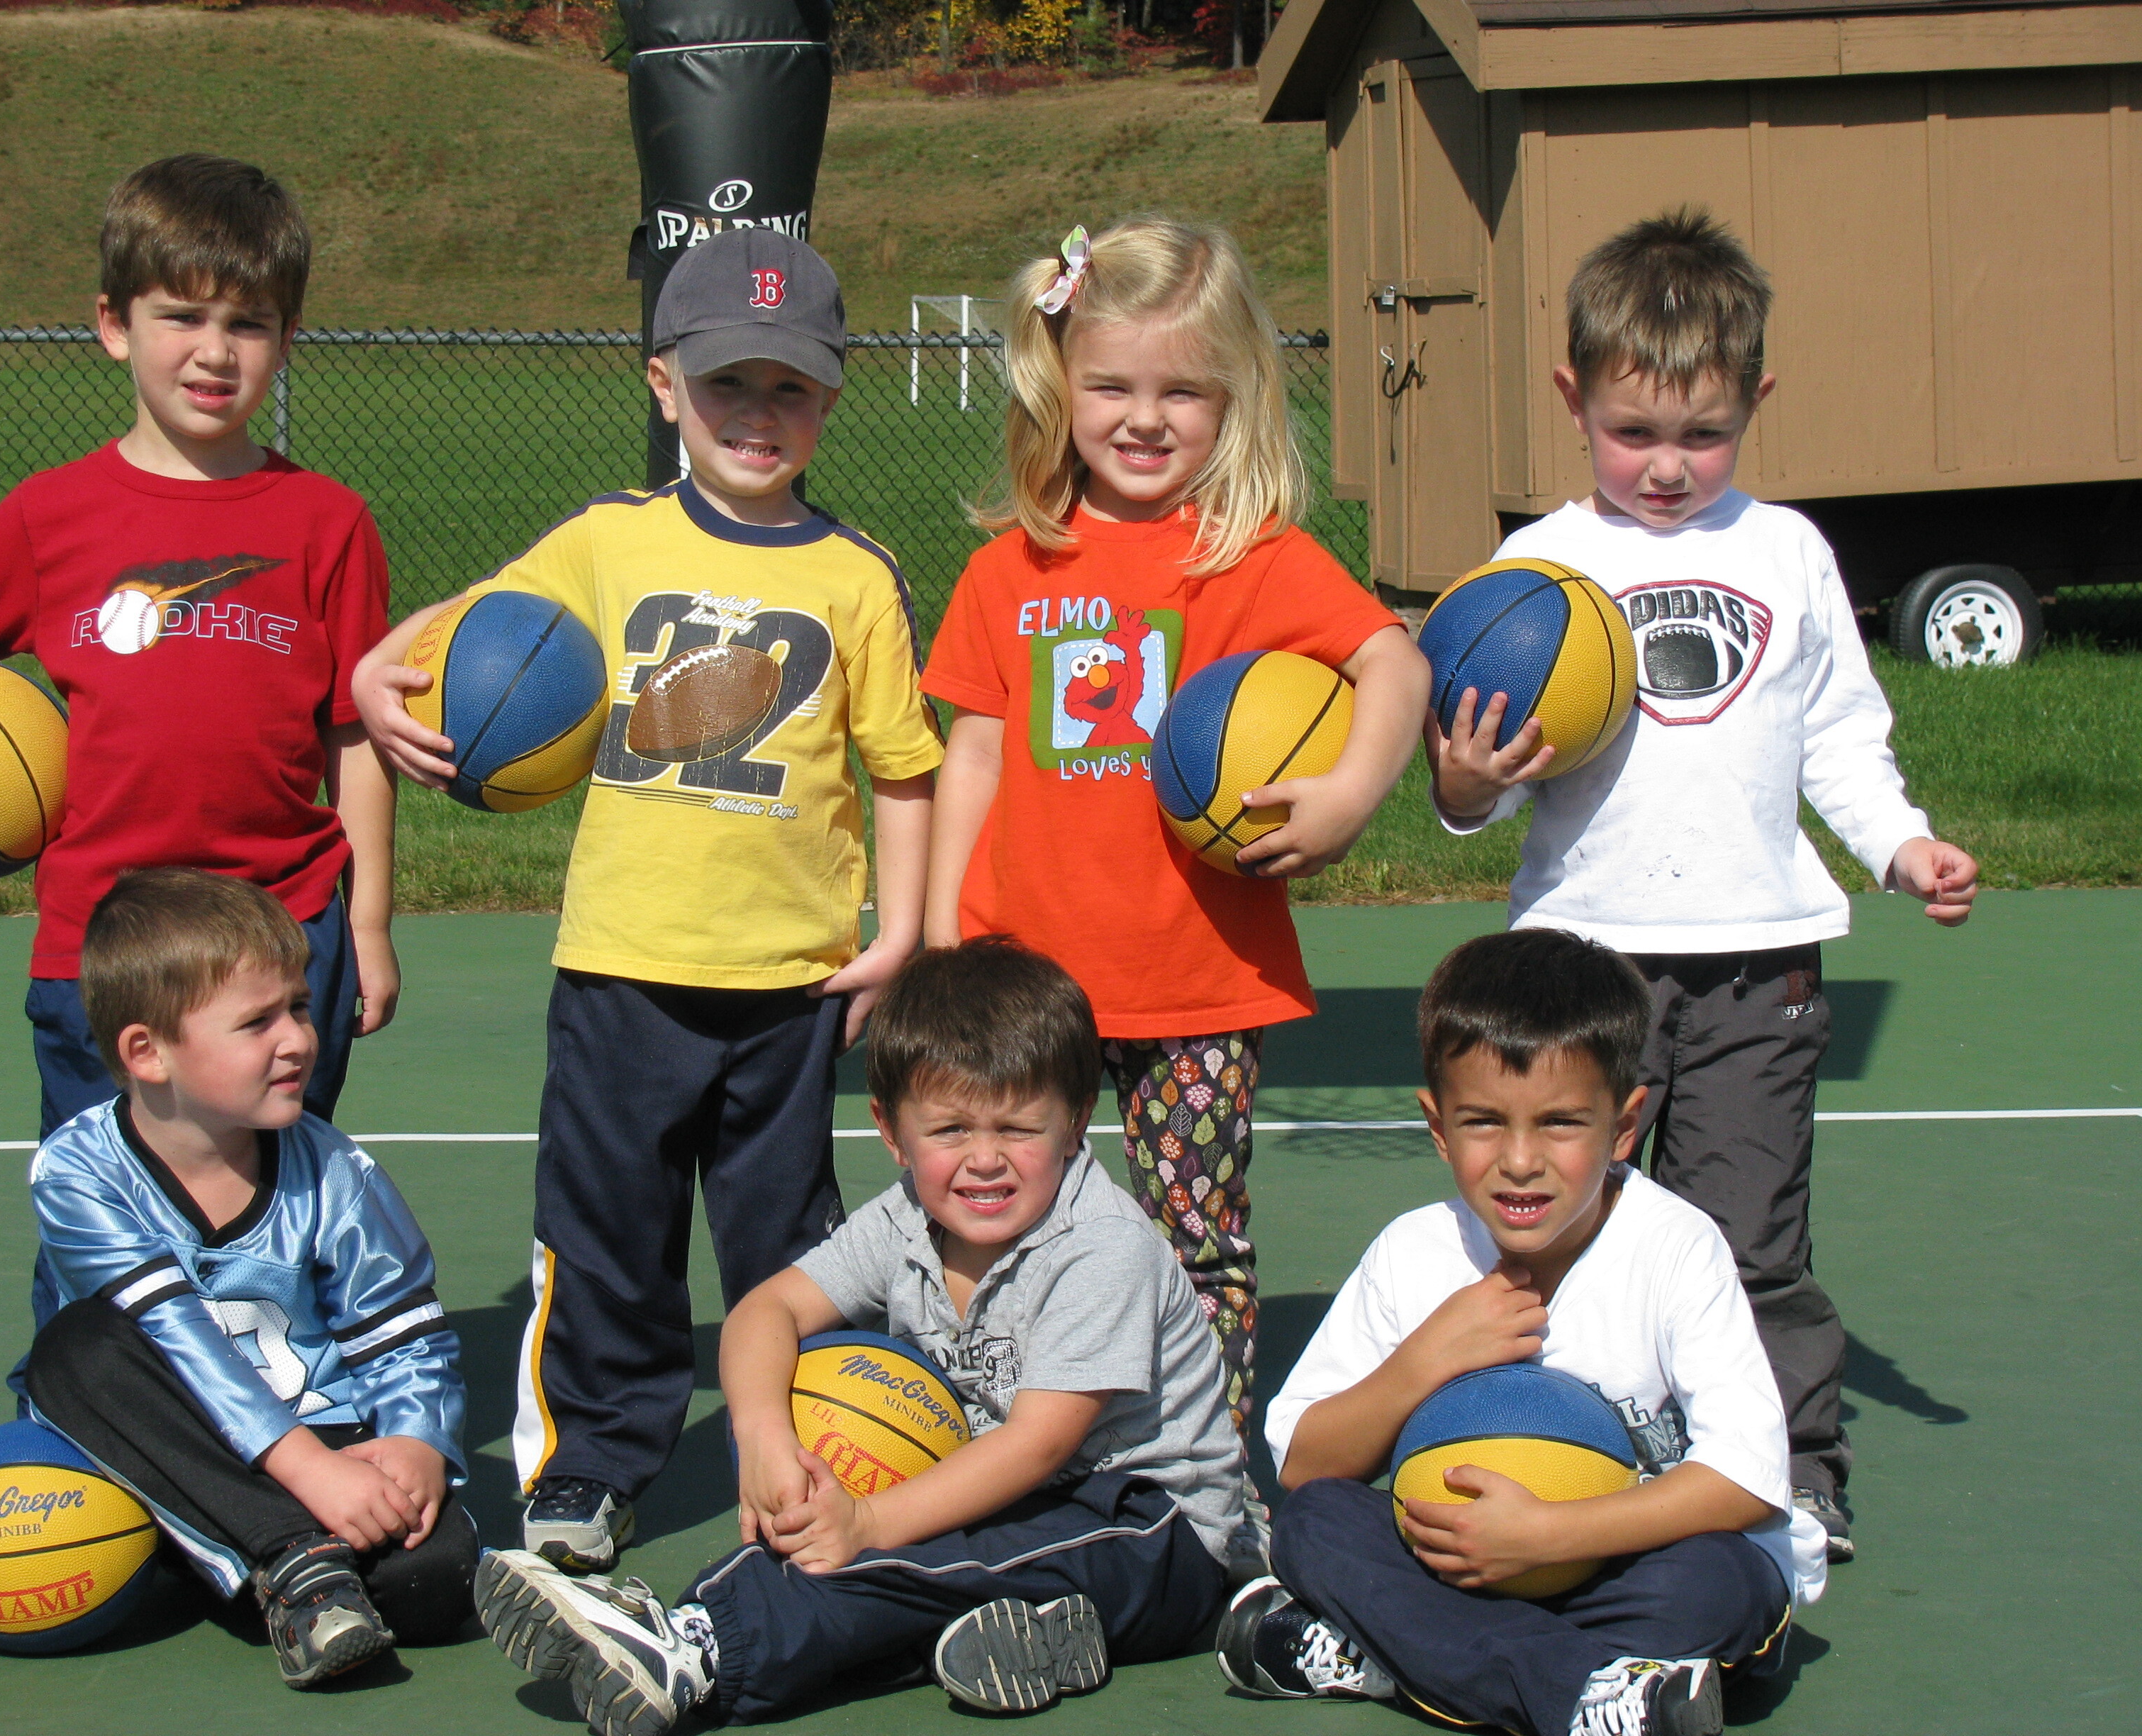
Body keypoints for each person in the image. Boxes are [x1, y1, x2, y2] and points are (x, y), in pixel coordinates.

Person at [351, 228, 942, 1574]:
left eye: (788, 387)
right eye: (727, 380)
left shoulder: (856, 574)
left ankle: (809, 1456)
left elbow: (902, 768)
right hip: (623, 967)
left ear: (830, 400)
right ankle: (593, 1467)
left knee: (788, 1240)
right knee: (606, 1235)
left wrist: (898, 936)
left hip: (790, 979)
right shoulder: (606, 542)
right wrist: (384, 662)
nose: (756, 412)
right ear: (663, 383)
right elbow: (486, 621)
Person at [1425, 208, 1978, 1561]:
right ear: (1571, 397)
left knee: (1746, 1245)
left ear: (1753, 403)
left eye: (1700, 434)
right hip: (1578, 966)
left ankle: (1782, 1467)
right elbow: (1473, 789)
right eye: (1631, 432)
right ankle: (1545, 1442)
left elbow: (1837, 730)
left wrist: (1897, 842)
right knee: (1550, 1232)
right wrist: (1459, 777)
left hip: (1754, 958)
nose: (1665, 467)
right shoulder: (1532, 574)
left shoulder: (1785, 552)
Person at [922, 217, 1429, 1439]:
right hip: (1022, 975)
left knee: (1194, 1235)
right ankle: (991, 1436)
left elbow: (1391, 663)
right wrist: (941, 937)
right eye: (1111, 385)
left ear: (1231, 398)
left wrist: (1349, 793)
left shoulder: (1251, 556)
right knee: (992, 1223)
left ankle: (1194, 1462)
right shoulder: (1009, 569)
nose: (1143, 418)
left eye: (1180, 392)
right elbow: (974, 753)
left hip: (1199, 979)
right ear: (1060, 385)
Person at [472, 937, 1250, 1732]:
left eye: (1019, 1127)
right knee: (869, 1549)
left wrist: (869, 1524)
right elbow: (764, 1314)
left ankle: (694, 1650)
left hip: (1156, 1531)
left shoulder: (1099, 1246)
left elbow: (1038, 1447)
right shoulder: (907, 1219)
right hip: (1024, 1507)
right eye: (949, 1130)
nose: (984, 1160)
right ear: (890, 1131)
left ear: (1076, 1122)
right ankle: (1026, 1637)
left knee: (901, 1554)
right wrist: (768, 1444)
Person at [0, 155, 398, 1139]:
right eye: (181, 316)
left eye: (247, 323)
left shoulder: (328, 522)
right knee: (110, 1234)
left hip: (282, 932)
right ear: (113, 326)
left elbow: (358, 738)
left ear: (287, 339)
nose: (214, 351)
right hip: (102, 940)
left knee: (268, 1219)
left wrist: (372, 921)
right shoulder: (49, 518)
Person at [1221, 928, 1825, 1736]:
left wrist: (1549, 1535)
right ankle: (1588, 1691)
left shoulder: (1673, 1245)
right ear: (1437, 1127)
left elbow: (1747, 1479)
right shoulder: (1415, 1254)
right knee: (1316, 1528)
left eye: (1561, 1123)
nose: (1519, 1160)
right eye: (1483, 1123)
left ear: (1624, 1126)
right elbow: (1307, 1464)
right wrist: (1420, 1364)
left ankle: (1399, 1654)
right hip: (1460, 1565)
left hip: (1618, 1563)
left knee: (1722, 1584)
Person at [20, 867, 474, 1688]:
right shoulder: (78, 1171)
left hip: (312, 1441)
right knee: (74, 1351)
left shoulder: (335, 1172)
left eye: (299, 1007)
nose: (298, 1039)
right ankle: (296, 1559)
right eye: (257, 1022)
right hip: (161, 1447)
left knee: (437, 1570)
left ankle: (265, 1569)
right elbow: (169, 1332)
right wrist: (308, 1476)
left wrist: (418, 1439)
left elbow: (405, 1331)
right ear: (147, 1053)